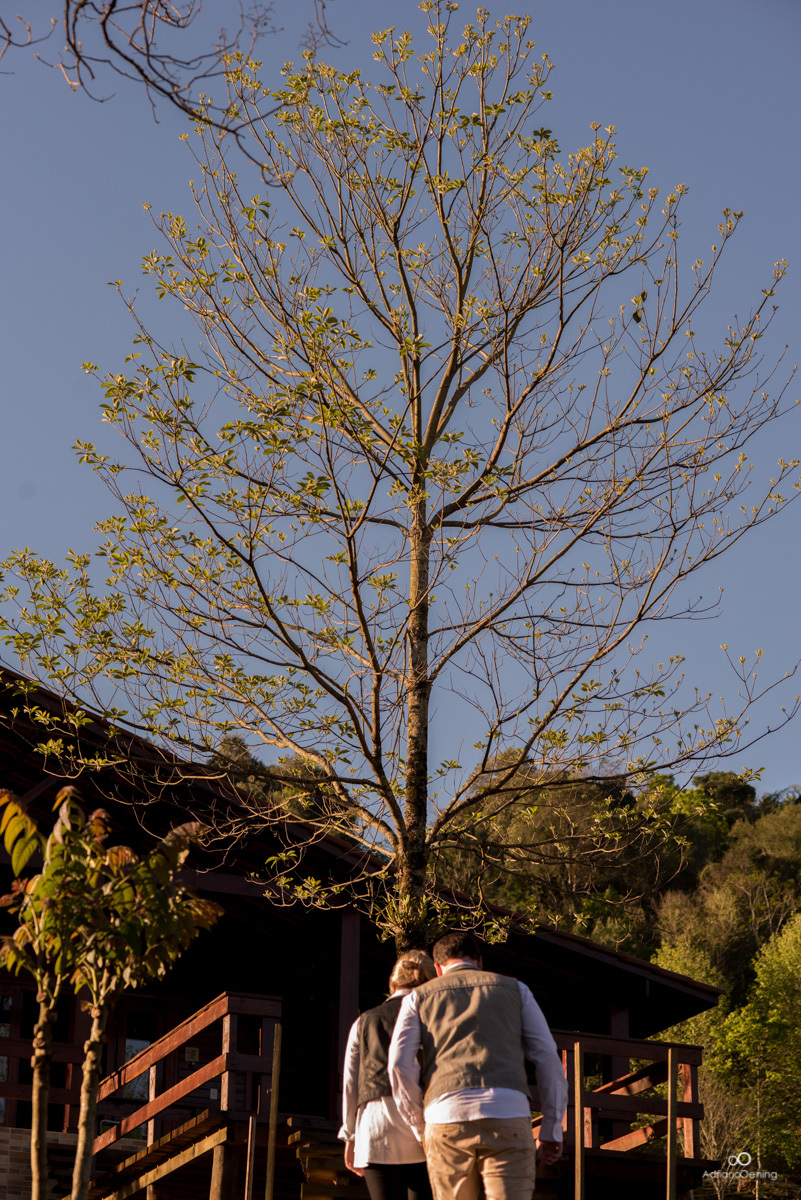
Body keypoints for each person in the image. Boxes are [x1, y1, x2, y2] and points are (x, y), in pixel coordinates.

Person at [387, 931, 568, 1200]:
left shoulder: (418, 998)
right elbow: (547, 1057)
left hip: (445, 1114)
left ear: (437, 968)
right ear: (480, 962)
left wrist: (419, 1126)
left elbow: (399, 1065)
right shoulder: (517, 990)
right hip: (508, 1111)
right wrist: (552, 1128)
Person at [340, 950, 437, 1200]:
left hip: (375, 1126)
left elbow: (351, 1082)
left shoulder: (363, 1022)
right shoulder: (433, 1018)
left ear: (392, 983)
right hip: (423, 1124)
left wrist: (350, 1135)